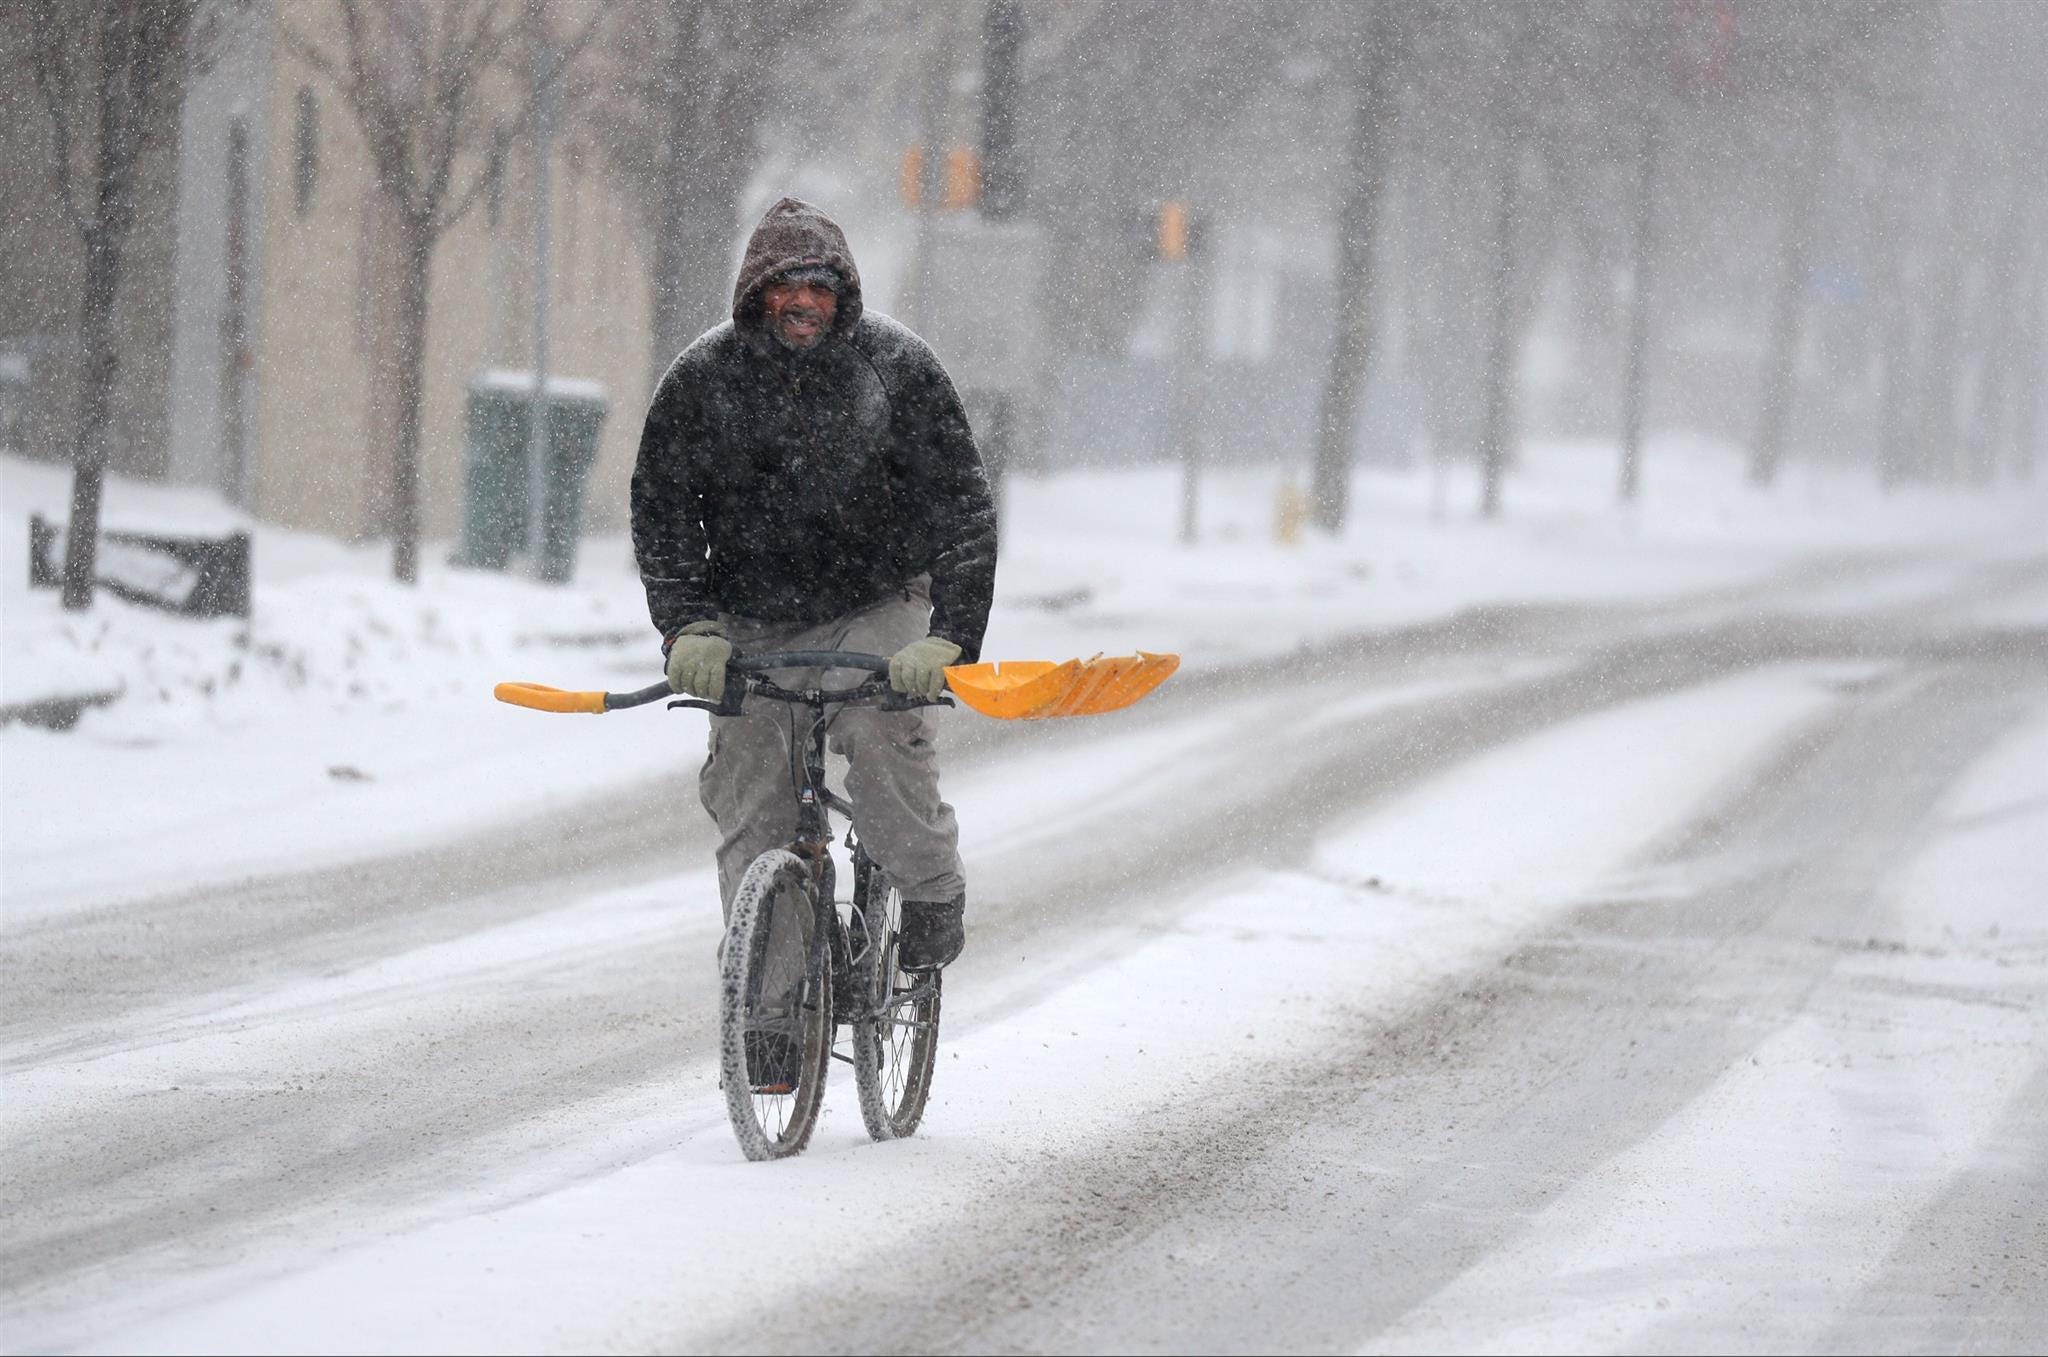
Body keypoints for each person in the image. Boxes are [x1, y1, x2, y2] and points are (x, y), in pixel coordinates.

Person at [630, 197, 996, 974]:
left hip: (878, 602)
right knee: (748, 792)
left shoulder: (899, 370)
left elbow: (963, 506)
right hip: (750, 619)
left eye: (821, 286)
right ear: (755, 294)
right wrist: (687, 625)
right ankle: (767, 1014)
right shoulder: (701, 381)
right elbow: (662, 509)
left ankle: (929, 889)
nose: (804, 302)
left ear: (844, 293)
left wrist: (948, 635)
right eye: (785, 285)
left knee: (879, 731)